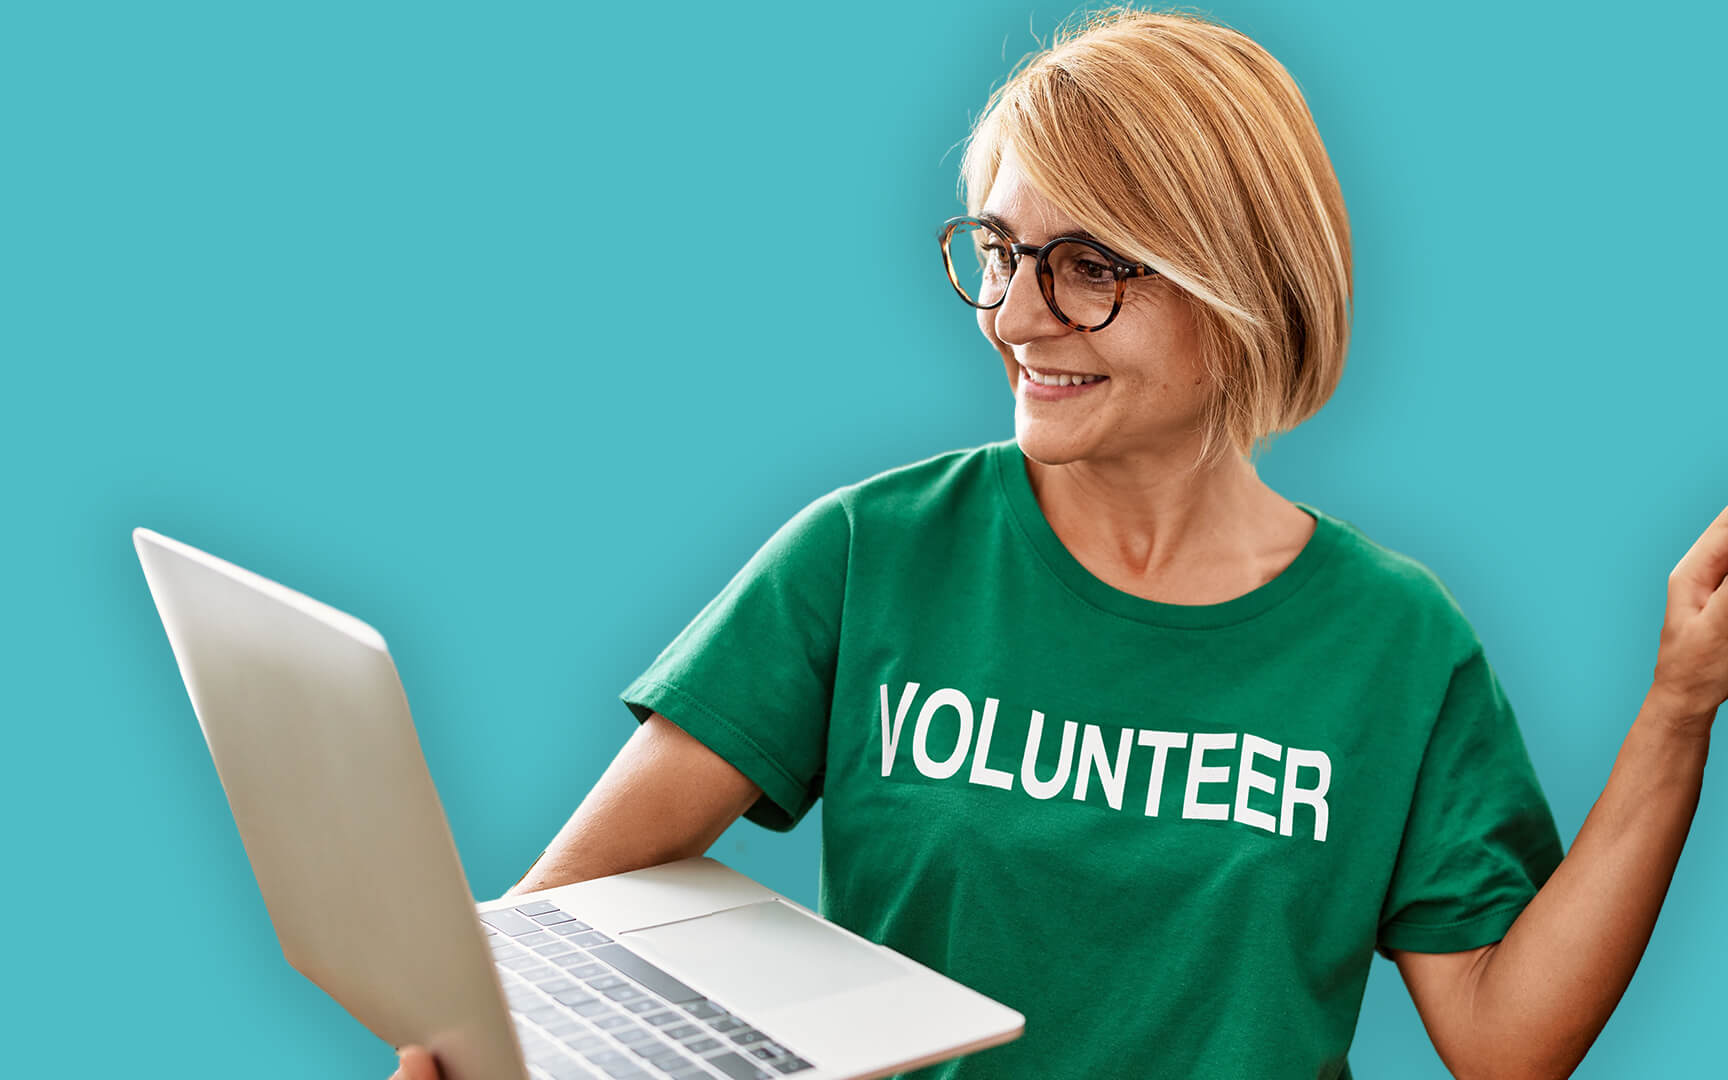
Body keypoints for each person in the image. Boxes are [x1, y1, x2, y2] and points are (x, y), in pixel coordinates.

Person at [390, 5, 1728, 1079]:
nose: (1016, 316)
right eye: (999, 249)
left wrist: (1677, 707)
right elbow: (559, 918)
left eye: (1090, 267)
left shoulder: (1397, 642)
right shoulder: (869, 556)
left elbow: (1506, 1042)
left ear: (1241, 289)